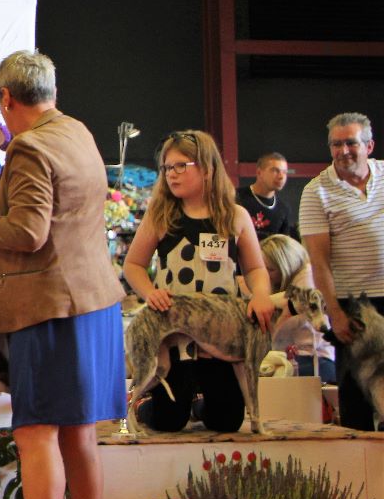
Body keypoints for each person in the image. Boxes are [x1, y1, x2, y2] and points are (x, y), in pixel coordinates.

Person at [0, 50, 125, 499]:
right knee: (80, 436)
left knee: (35, 436)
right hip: (94, 304)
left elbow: (28, 231)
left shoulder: (29, 150)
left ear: (6, 97)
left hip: (48, 308)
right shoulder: (76, 132)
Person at [122, 130, 275, 434]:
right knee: (168, 421)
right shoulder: (160, 215)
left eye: (181, 166)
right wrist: (150, 293)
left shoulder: (236, 216)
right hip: (174, 334)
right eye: (167, 168)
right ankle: (144, 405)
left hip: (220, 336)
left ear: (207, 168)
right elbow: (133, 265)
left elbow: (255, 267)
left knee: (226, 421)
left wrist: (260, 294)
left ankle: (200, 406)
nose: (172, 175)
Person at [299, 112, 383, 430]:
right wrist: (334, 312)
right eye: (336, 144)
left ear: (369, 145)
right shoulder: (315, 191)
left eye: (351, 143)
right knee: (357, 398)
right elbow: (318, 261)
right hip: (353, 307)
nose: (343, 150)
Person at [260, 234, 336, 382]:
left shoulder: (306, 278)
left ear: (285, 265)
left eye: (271, 270)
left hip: (313, 360)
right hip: (308, 359)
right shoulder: (298, 278)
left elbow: (286, 314)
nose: (267, 276)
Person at [236, 151, 296, 240]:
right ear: (259, 172)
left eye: (285, 172)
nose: (281, 176)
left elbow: (283, 246)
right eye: (275, 170)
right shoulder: (236, 197)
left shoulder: (283, 209)